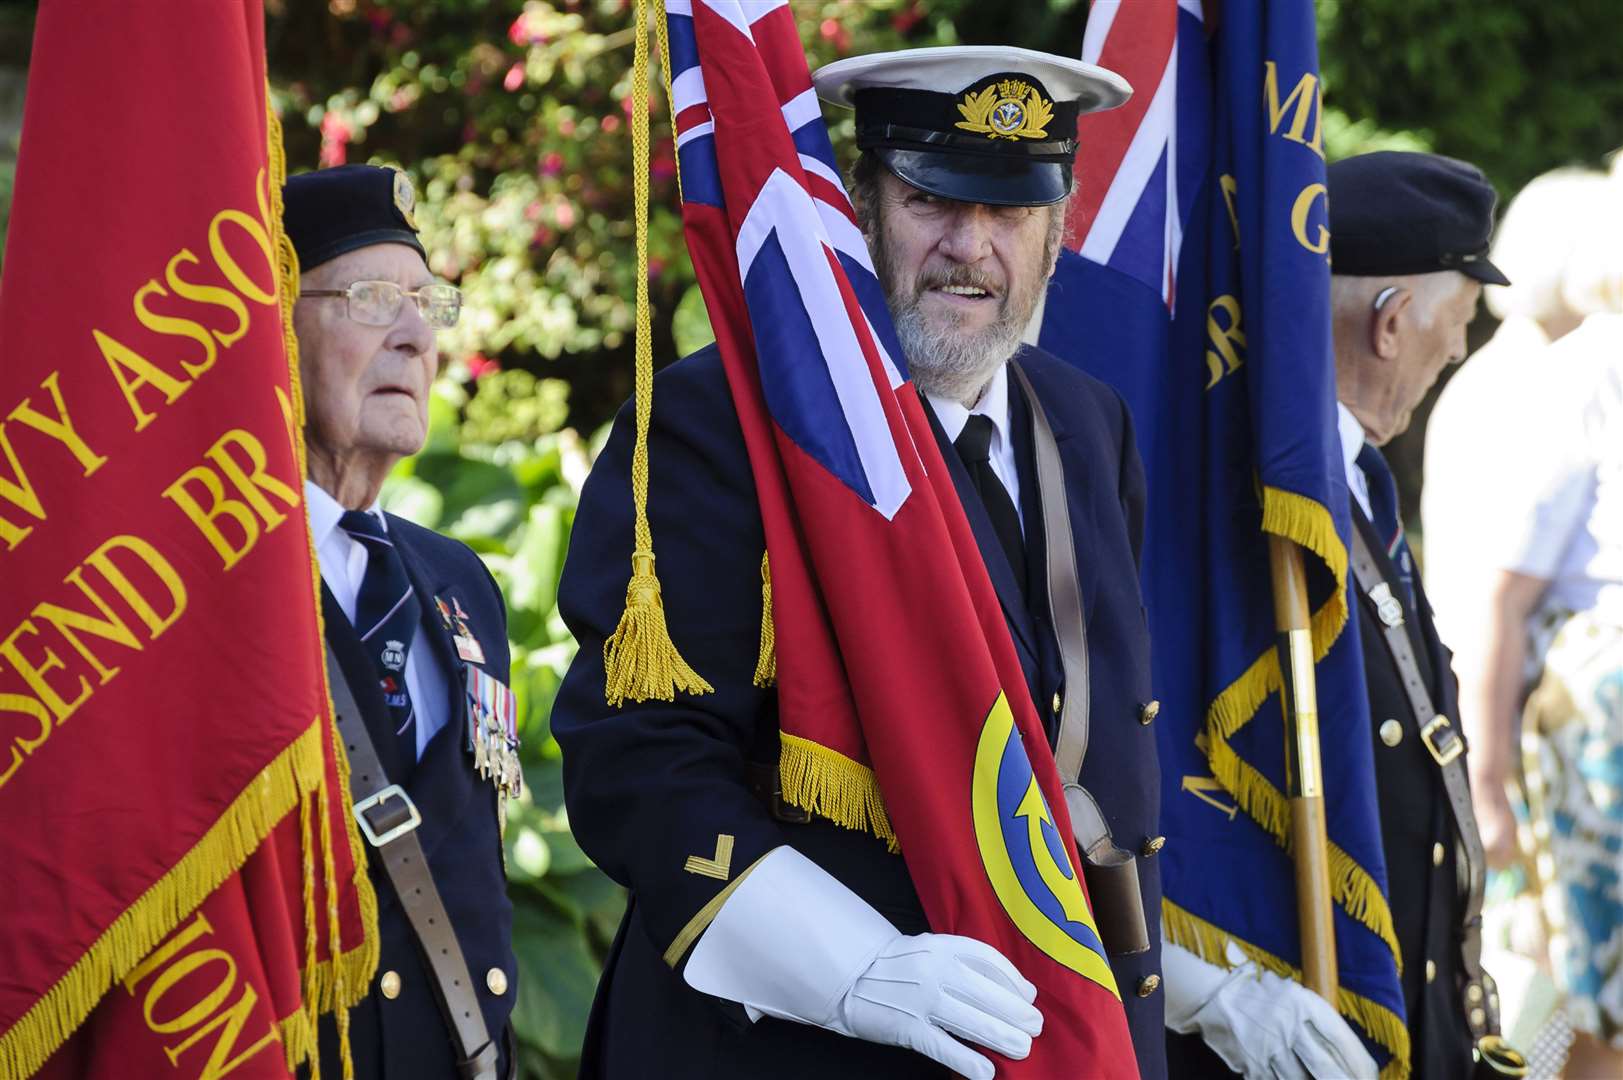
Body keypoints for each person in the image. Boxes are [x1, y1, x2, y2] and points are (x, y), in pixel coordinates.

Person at [553, 47, 1169, 1079]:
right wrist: (850, 966)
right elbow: (640, 762)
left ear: (1056, 236)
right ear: (861, 206)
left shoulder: (1084, 420)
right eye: (930, 199)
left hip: (1055, 1029)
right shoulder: (726, 422)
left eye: (1010, 215)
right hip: (795, 1043)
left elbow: (1100, 752)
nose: (969, 248)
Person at [284, 163, 519, 1080]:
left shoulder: (457, 578)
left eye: (430, 303)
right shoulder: (209, 582)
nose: (417, 336)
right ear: (276, 324)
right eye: (373, 298)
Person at [1328, 150, 1518, 1078]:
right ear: (1393, 323)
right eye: (1459, 320)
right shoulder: (1279, 494)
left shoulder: (1352, 478)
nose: (1457, 348)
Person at [1439, 166, 1623, 1079]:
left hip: (1549, 707)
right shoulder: (1557, 374)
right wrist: (1489, 778)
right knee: (1578, 1003)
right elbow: (1492, 594)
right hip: (1565, 721)